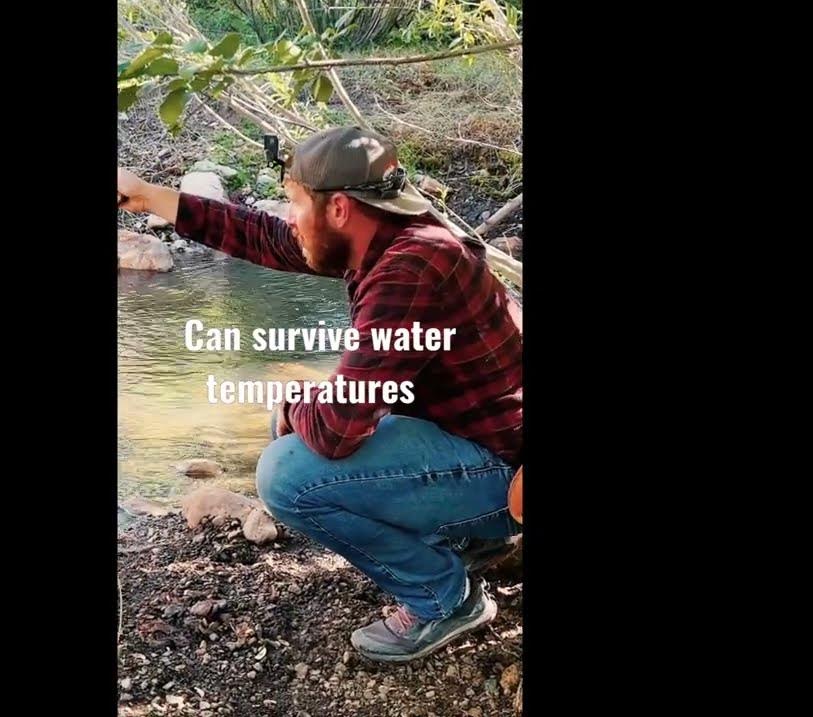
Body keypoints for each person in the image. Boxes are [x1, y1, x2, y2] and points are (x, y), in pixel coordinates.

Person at [116, 126, 522, 663]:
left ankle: (443, 598)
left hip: (501, 473)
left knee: (288, 473)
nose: (288, 220)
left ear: (338, 210)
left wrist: (290, 402)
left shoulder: (410, 269)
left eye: (294, 203)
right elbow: (265, 238)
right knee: (302, 423)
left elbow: (334, 432)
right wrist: (149, 194)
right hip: (480, 440)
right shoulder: (395, 233)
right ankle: (472, 540)